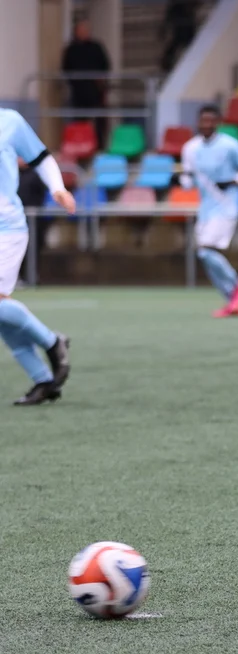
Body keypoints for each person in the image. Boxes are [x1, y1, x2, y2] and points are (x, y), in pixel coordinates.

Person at [0, 109, 75, 405]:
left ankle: (52, 342)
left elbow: (41, 157)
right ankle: (44, 379)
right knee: (2, 312)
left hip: (6, 229)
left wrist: (58, 188)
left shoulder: (9, 121)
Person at [180, 105, 238, 318]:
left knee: (205, 250)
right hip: (205, 208)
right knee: (204, 255)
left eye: (210, 120)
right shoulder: (190, 148)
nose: (206, 124)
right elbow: (188, 179)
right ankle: (233, 301)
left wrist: (233, 180)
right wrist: (180, 180)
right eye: (203, 120)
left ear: (218, 122)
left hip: (226, 206)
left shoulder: (229, 145)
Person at [61, 18, 112, 149]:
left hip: (96, 90)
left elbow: (105, 65)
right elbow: (66, 68)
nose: (84, 32)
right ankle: (80, 145)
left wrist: (100, 80)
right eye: (81, 30)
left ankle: (100, 146)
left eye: (86, 30)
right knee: (79, 120)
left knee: (99, 119)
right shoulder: (71, 49)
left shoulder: (96, 47)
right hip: (78, 91)